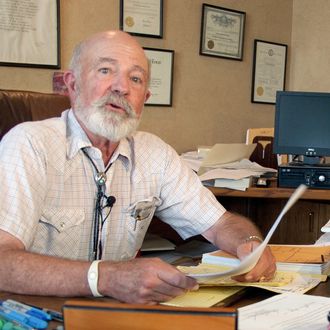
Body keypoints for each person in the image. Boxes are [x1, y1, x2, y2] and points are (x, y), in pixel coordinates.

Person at [0, 30, 276, 304]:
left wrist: (248, 242)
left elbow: (220, 223)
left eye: (135, 78)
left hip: (117, 316)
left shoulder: (155, 154)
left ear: (144, 97)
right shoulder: (29, 144)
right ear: (73, 85)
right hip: (36, 314)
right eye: (106, 70)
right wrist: (107, 277)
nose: (122, 87)